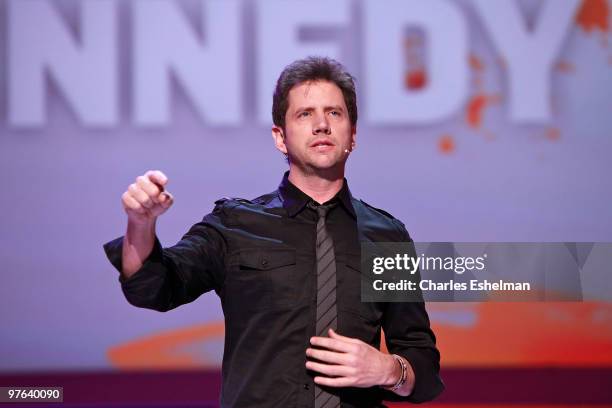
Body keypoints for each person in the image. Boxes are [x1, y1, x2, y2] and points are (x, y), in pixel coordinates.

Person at [104, 56, 444, 407]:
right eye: (305, 114)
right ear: (280, 137)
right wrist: (140, 225)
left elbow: (424, 367)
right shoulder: (234, 224)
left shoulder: (386, 237)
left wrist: (389, 369)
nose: (321, 125)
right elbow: (153, 288)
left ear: (353, 136)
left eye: (334, 113)